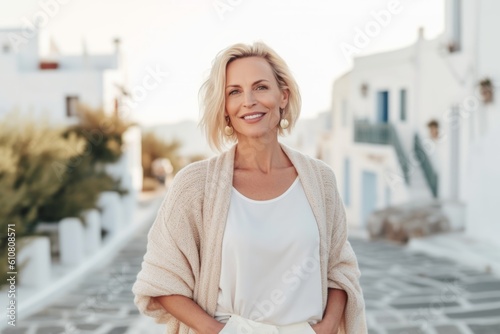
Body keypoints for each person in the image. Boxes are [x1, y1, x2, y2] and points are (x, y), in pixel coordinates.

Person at [132, 42, 366, 334]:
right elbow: (161, 278)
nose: (249, 101)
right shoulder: (195, 185)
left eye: (261, 87)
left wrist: (327, 328)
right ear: (225, 108)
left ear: (283, 96)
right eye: (235, 92)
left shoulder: (320, 180)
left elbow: (340, 268)